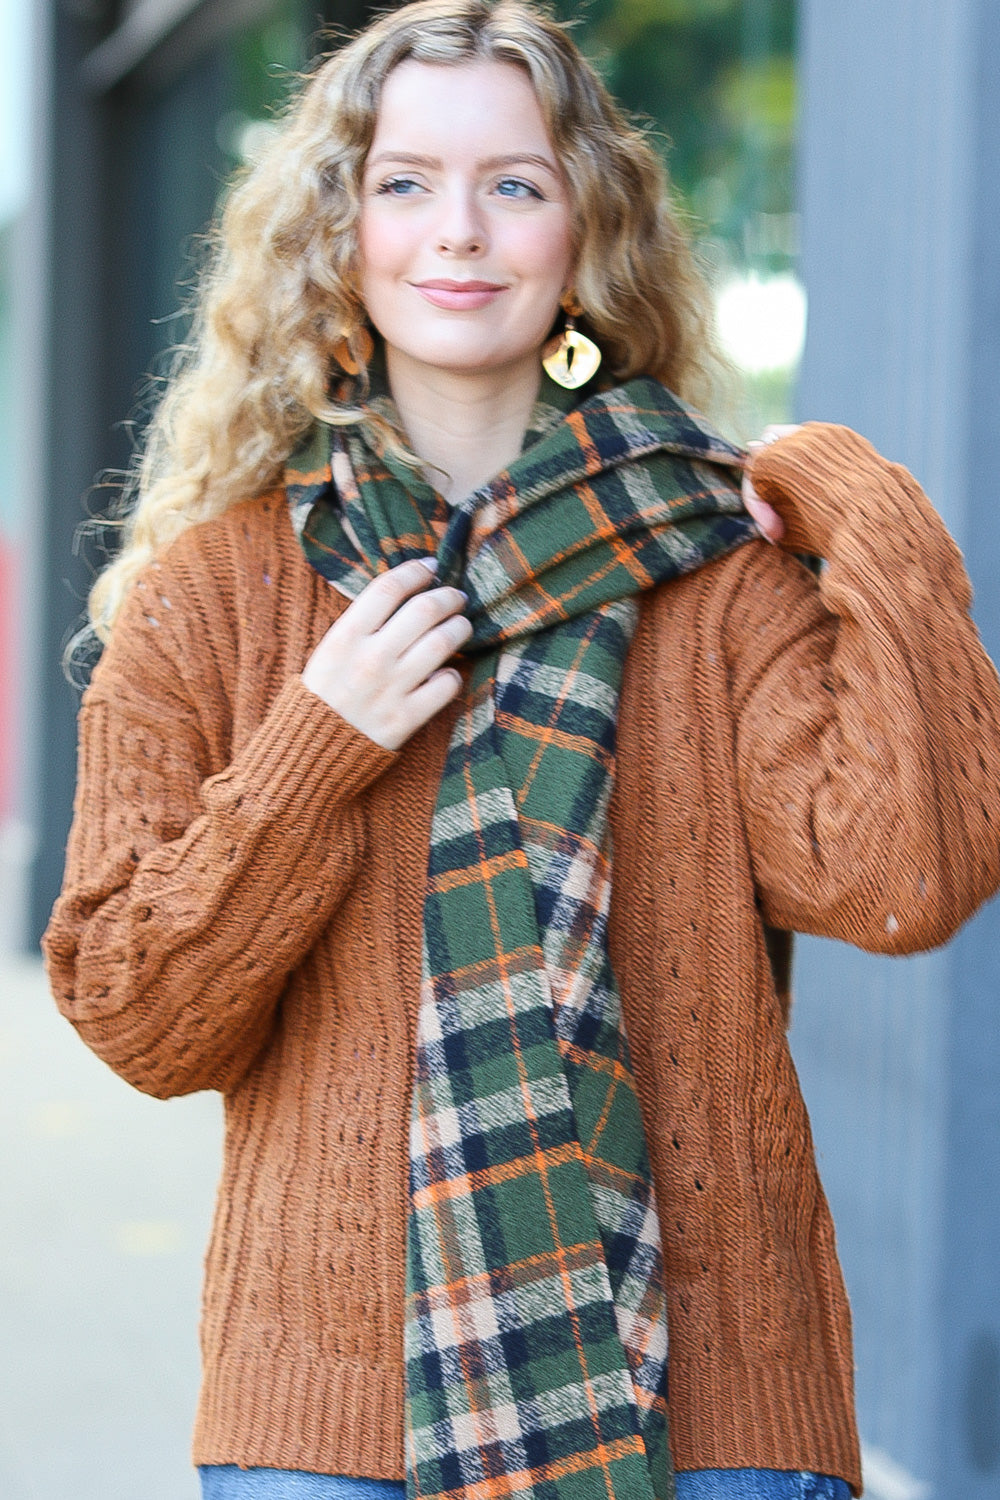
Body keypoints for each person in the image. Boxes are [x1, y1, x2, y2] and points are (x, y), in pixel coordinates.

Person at [42, 3, 1000, 1499]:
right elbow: (133, 1011)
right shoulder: (211, 595)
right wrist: (315, 749)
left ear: (582, 236)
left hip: (713, 1419)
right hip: (331, 1429)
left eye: (516, 183)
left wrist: (850, 498)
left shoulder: (715, 567)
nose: (460, 232)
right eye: (407, 182)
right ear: (339, 234)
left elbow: (908, 875)